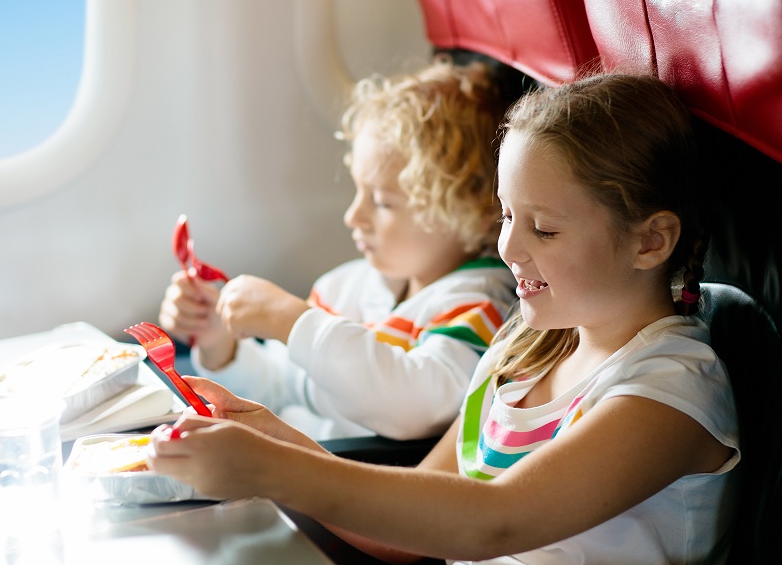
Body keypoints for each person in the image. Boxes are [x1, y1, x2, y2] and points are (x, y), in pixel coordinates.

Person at [148, 73, 741, 565]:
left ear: (650, 242)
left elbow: (494, 522)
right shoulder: (526, 352)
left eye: (544, 227)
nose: (508, 248)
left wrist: (273, 469)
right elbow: (403, 530)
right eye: (507, 216)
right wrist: (266, 434)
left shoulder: (669, 390)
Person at [159, 56, 520, 440]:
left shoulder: (480, 306)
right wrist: (219, 341)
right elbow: (281, 389)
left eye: (381, 202)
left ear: (473, 210)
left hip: (350, 476)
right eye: (358, 191)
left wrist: (292, 321)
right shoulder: (350, 287)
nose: (353, 216)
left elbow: (415, 408)